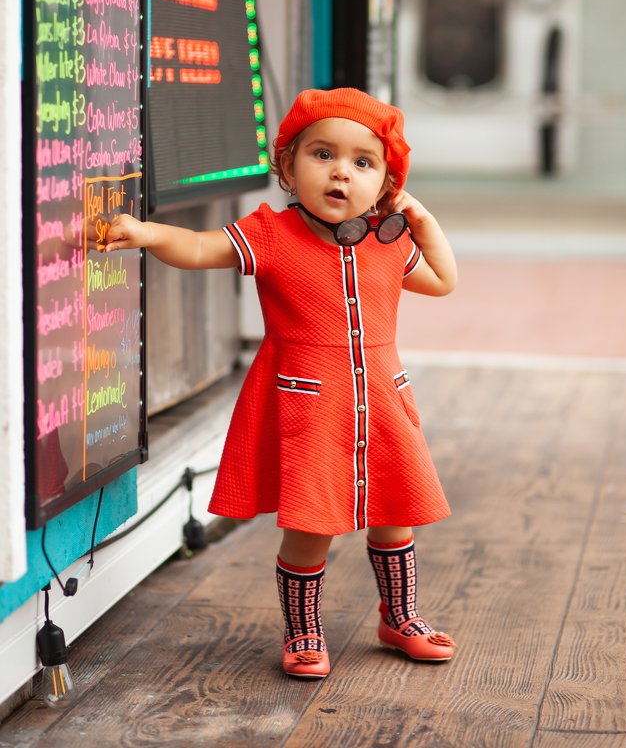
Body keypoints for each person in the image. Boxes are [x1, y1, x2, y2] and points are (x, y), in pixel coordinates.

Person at [105, 87, 458, 679]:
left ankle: (400, 615)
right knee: (309, 524)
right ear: (288, 167)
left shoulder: (387, 244)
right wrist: (147, 233)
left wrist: (424, 222)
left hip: (380, 405)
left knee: (396, 513)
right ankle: (303, 631)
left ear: (387, 185)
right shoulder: (271, 234)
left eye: (363, 162)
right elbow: (196, 247)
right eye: (322, 154)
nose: (341, 171)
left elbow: (444, 280)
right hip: (310, 407)